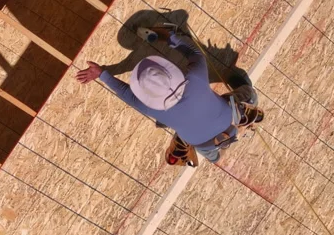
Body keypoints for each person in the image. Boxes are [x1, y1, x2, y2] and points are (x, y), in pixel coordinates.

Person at [76, 27, 260, 164]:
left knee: (214, 157)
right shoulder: (194, 78)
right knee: (250, 96)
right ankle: (229, 131)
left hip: (204, 143)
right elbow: (195, 52)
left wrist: (101, 74)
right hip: (224, 120)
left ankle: (222, 142)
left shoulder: (154, 107)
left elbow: (125, 93)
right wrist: (171, 36)